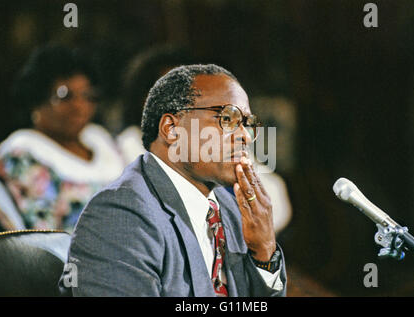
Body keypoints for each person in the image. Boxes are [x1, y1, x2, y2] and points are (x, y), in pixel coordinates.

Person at [63, 64, 287, 296]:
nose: (244, 136)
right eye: (228, 118)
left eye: (247, 124)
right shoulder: (120, 214)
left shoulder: (230, 210)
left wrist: (264, 252)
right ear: (171, 129)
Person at [0, 44, 125, 232]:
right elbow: (42, 235)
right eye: (65, 96)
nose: (79, 106)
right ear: (36, 99)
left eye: (87, 95)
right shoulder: (22, 151)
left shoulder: (98, 138)